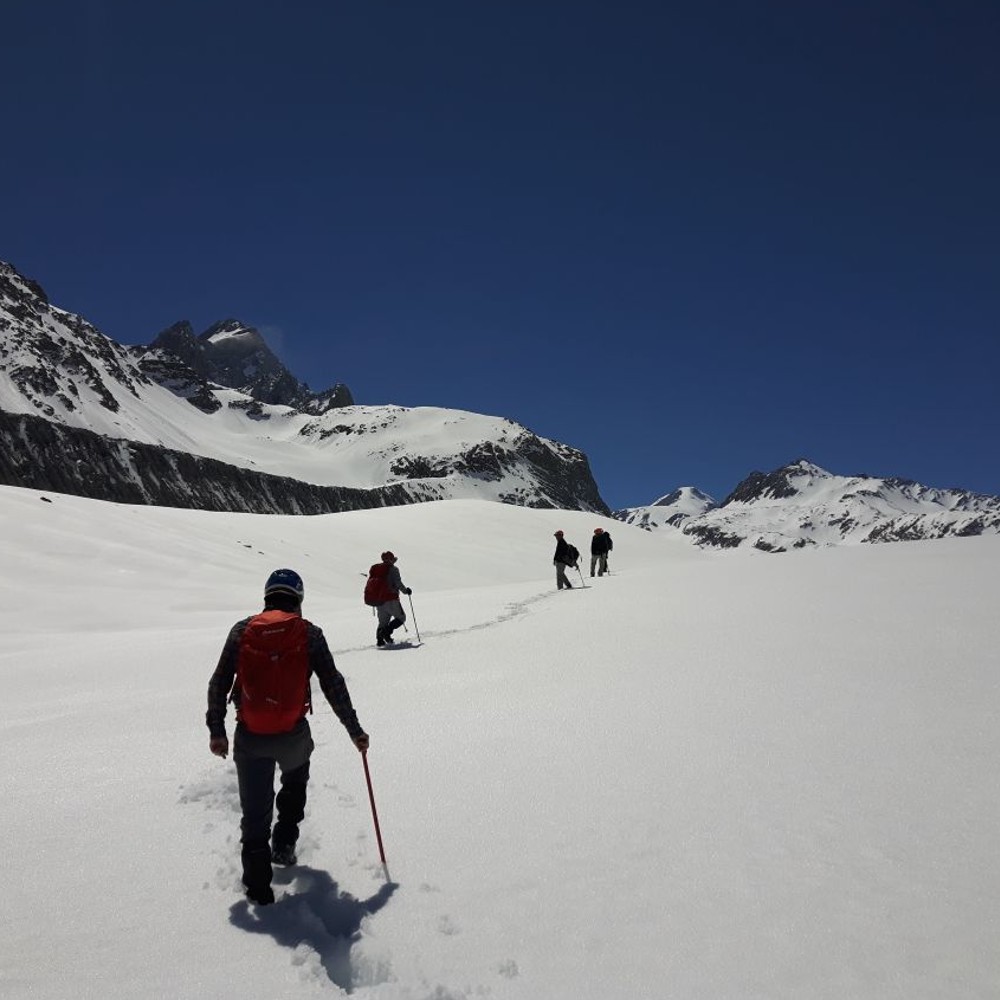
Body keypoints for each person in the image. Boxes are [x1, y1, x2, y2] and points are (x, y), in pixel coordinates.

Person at [206, 568, 369, 906]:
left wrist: (217, 731)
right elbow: (333, 685)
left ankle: (258, 889)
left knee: (254, 814)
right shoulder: (309, 634)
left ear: (267, 596)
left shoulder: (242, 631)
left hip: (250, 737)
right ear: (299, 599)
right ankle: (284, 842)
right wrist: (354, 731)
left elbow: (218, 682)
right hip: (293, 734)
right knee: (294, 784)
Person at [370, 551, 412, 646]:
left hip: (379, 601)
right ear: (391, 559)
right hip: (391, 599)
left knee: (383, 622)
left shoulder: (376, 570)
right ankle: (386, 633)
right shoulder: (393, 569)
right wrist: (406, 591)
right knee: (401, 618)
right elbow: (398, 583)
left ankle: (380, 641)